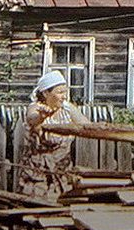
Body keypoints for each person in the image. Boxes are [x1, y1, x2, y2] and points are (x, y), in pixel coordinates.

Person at [16, 70, 89, 201]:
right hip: (37, 176)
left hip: (62, 175)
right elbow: (32, 120)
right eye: (60, 92)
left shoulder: (67, 109)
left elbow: (87, 127)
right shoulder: (35, 107)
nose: (64, 96)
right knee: (35, 211)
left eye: (65, 91)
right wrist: (42, 117)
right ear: (45, 93)